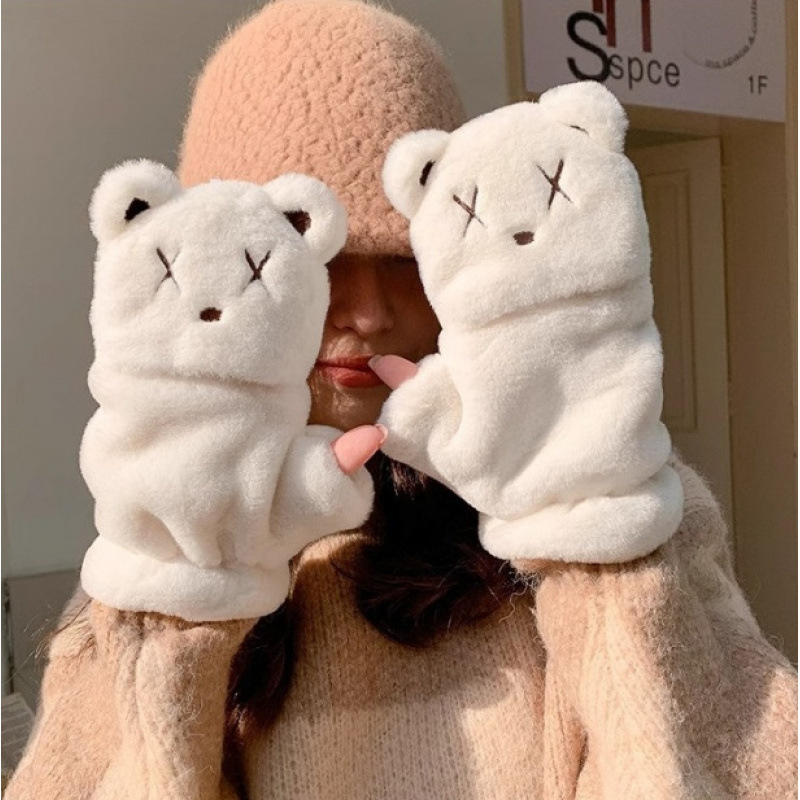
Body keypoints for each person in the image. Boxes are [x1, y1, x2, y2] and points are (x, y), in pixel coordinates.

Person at [6, 1, 797, 798]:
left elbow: (739, 767)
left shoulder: (629, 500)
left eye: (401, 259)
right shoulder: (144, 559)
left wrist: (591, 531)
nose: (370, 312)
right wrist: (184, 610)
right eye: (315, 264)